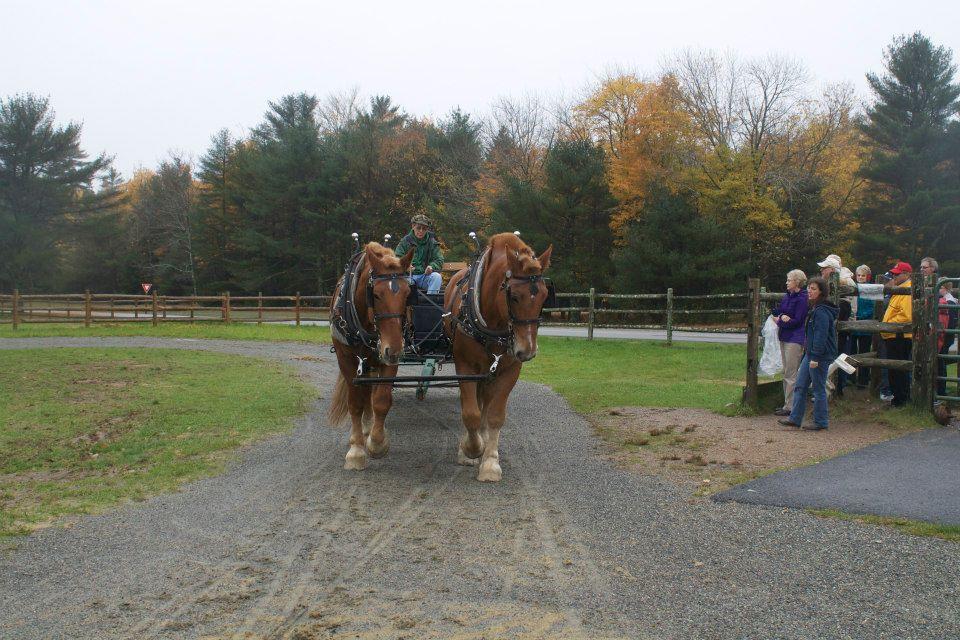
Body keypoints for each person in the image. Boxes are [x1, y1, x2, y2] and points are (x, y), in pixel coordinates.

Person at [779, 277, 838, 431]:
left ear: (821, 292)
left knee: (818, 388)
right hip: (810, 353)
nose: (810, 292)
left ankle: (821, 421)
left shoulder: (822, 312)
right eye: (809, 288)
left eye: (814, 289)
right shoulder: (815, 308)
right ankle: (795, 418)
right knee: (800, 384)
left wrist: (816, 357)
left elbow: (821, 335)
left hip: (819, 355)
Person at [771, 269, 808, 416]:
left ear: (797, 282)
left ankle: (792, 406)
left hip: (795, 338)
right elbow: (780, 312)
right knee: (786, 371)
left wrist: (781, 321)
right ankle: (787, 403)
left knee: (791, 373)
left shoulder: (802, 298)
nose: (787, 283)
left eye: (789, 280)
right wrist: (780, 317)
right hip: (784, 336)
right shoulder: (787, 297)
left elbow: (798, 320)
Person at [881, 262, 913, 407]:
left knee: (898, 369)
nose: (894, 276)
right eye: (893, 273)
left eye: (897, 274)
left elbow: (906, 317)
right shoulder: (900, 289)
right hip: (894, 335)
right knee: (895, 369)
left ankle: (901, 400)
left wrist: (889, 324)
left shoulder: (907, 291)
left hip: (899, 336)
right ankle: (898, 399)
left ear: (906, 274)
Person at [394, 214, 444, 294]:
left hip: (424, 276)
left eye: (424, 228)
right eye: (418, 228)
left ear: (427, 229)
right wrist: (405, 266)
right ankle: (406, 305)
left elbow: (439, 260)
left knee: (436, 277)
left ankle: (430, 304)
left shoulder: (432, 242)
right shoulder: (405, 241)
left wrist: (431, 267)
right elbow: (397, 258)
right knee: (399, 282)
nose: (421, 231)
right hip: (408, 276)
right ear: (413, 226)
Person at [850, 265, 876, 389]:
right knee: (851, 351)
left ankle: (863, 380)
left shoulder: (871, 289)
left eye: (863, 275)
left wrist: (861, 316)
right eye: (859, 275)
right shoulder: (851, 288)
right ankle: (850, 378)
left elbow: (874, 307)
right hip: (852, 324)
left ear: (868, 277)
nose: (860, 277)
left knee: (864, 351)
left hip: (865, 324)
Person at [937, 282, 957, 399]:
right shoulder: (947, 300)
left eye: (940, 287)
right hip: (943, 336)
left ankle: (941, 390)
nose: (938, 289)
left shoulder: (949, 302)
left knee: (941, 362)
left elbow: (950, 323)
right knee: (940, 362)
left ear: (946, 289)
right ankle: (940, 389)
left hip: (944, 337)